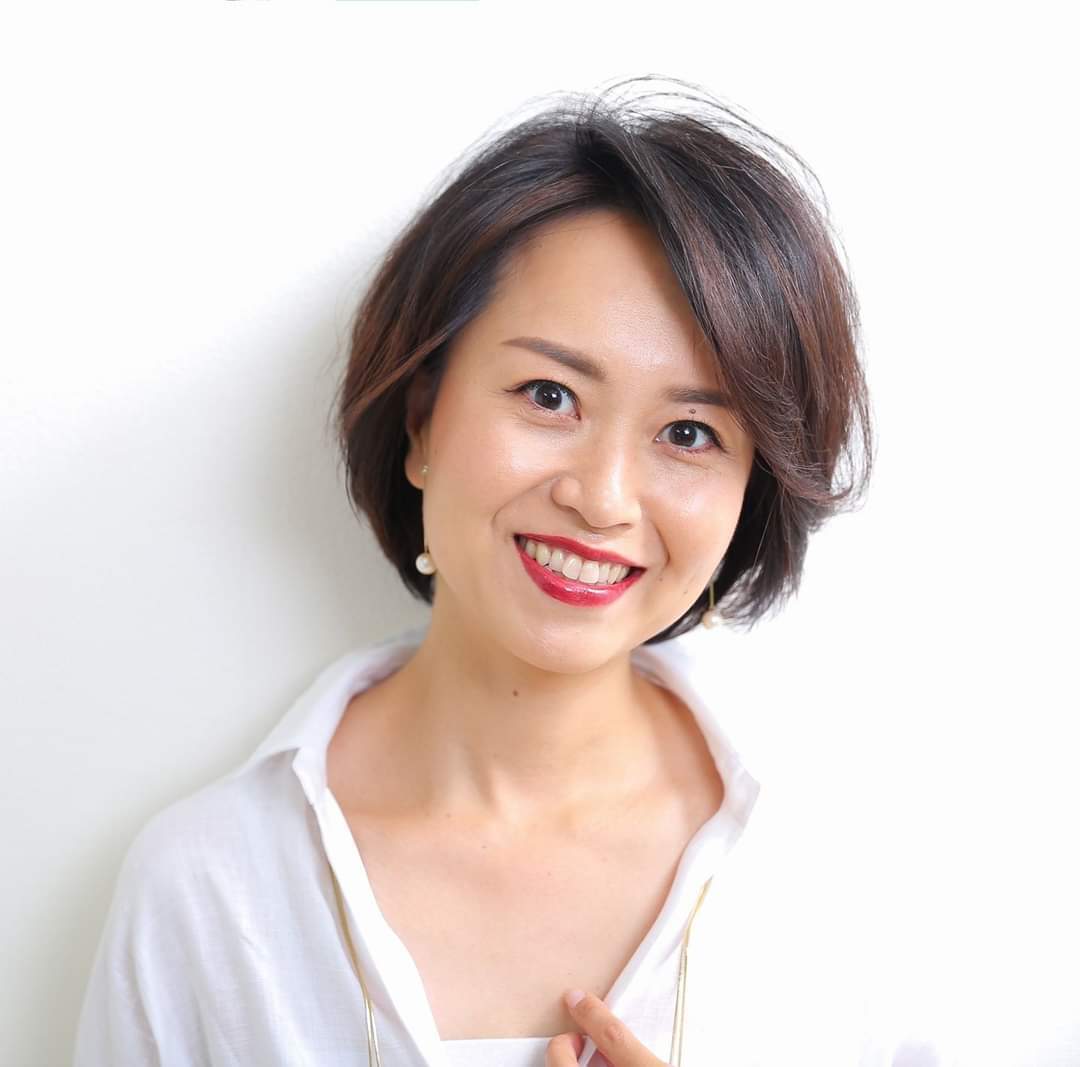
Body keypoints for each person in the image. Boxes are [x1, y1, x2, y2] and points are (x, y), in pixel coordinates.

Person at [75, 77, 933, 1066]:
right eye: (549, 394)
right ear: (421, 420)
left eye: (690, 432)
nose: (604, 497)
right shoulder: (208, 890)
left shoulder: (835, 878)